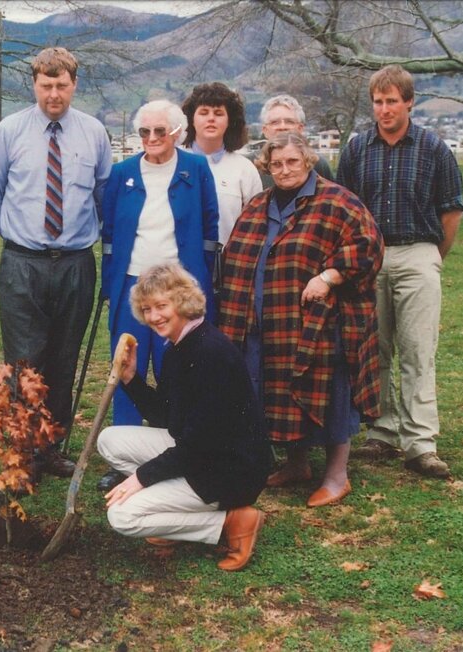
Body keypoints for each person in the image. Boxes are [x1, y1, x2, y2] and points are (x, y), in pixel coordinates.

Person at [218, 132, 383, 507]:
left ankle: (337, 476)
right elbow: (236, 256)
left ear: (308, 161)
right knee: (280, 392)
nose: (284, 169)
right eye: (276, 164)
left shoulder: (337, 200)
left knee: (331, 394)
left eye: (292, 161)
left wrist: (329, 276)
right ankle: (297, 464)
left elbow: (368, 245)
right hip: (268, 321)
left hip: (320, 324)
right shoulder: (260, 203)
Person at [0, 47, 113, 482]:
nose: (54, 93)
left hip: (75, 263)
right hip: (23, 264)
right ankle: (22, 450)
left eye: (62, 85)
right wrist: (22, 239)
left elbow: (102, 195)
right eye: (45, 85)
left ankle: (51, 447)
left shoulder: (93, 132)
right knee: (24, 363)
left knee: (64, 359)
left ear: (75, 84)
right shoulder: (10, 130)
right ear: (34, 85)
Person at [97, 263, 269, 571]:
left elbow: (197, 445)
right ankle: (172, 521)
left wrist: (142, 478)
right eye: (147, 309)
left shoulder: (208, 352)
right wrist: (132, 379)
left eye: (162, 306)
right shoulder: (180, 346)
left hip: (228, 472)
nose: (153, 317)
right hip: (204, 455)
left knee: (122, 516)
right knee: (110, 440)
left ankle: (229, 523)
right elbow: (167, 418)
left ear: (183, 302)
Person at [336, 65, 463, 478]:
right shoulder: (357, 149)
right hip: (370, 259)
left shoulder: (433, 149)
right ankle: (382, 431)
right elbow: (346, 208)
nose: (385, 108)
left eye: (393, 100)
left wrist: (431, 257)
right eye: (378, 101)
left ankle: (420, 442)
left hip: (418, 254)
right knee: (374, 349)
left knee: (417, 350)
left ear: (409, 102)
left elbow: (451, 209)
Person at [100, 99, 220, 433]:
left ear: (177, 133)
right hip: (132, 284)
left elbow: (210, 229)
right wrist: (110, 286)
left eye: (159, 130)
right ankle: (124, 441)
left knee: (178, 364)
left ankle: (179, 439)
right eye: (144, 131)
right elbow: (108, 235)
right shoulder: (122, 172)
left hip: (177, 287)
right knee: (127, 362)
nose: (151, 137)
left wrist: (200, 280)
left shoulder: (196, 168)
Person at [181, 82, 262, 245]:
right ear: (191, 119)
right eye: (203, 112)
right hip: (176, 266)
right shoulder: (174, 161)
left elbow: (256, 226)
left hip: (227, 264)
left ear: (230, 120)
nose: (211, 118)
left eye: (218, 113)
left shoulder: (244, 169)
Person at [257, 94, 333, 189]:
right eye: (275, 122)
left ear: (300, 129)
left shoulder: (318, 164)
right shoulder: (249, 165)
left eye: (289, 121)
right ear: (265, 130)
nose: (282, 127)